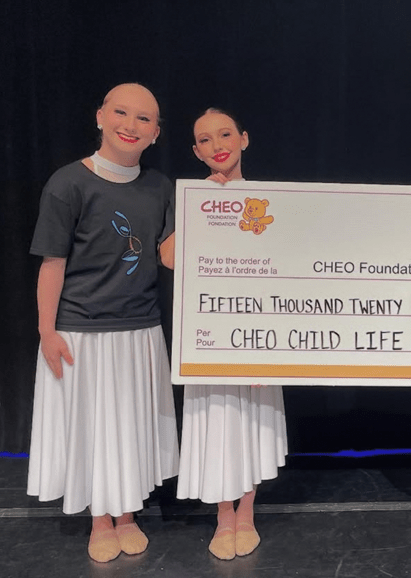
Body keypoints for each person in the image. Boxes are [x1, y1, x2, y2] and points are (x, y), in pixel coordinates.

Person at [27, 83, 179, 563]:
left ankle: (128, 515)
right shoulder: (67, 183)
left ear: (156, 133)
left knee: (129, 429)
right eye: (121, 113)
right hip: (81, 332)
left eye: (144, 119)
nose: (130, 125)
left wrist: (213, 208)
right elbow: (52, 263)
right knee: (93, 430)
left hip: (140, 331)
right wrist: (47, 331)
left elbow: (170, 255)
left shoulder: (161, 187)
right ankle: (100, 520)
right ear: (100, 116)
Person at [176, 108, 288, 560]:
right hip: (210, 334)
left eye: (225, 135)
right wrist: (202, 204)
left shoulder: (270, 198)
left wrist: (271, 347)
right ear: (196, 151)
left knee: (253, 422)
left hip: (259, 331)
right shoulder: (192, 198)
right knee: (219, 421)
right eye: (205, 140)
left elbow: (287, 266)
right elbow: (168, 257)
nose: (217, 145)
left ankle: (247, 511)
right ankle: (224, 515)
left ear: (244, 138)